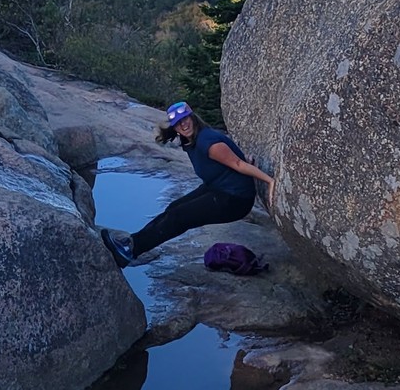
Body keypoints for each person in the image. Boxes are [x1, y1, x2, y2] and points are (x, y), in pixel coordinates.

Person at [101, 101, 277, 266]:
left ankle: (130, 252)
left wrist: (270, 181)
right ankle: (132, 241)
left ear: (192, 117)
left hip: (235, 199)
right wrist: (243, 156)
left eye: (185, 119)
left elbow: (238, 164)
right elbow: (234, 157)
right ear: (175, 128)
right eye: (178, 123)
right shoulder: (190, 140)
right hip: (218, 188)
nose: (183, 125)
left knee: (179, 217)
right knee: (173, 208)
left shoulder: (207, 142)